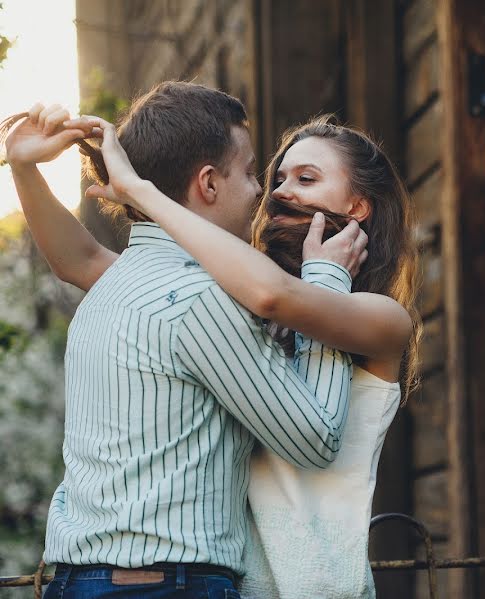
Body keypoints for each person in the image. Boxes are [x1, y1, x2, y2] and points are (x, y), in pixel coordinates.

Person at [1, 82, 372, 598]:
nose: (260, 192)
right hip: (161, 586)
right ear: (208, 184)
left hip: (79, 581)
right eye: (248, 173)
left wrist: (24, 168)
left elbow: (76, 261)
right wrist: (327, 283)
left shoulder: (117, 283)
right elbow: (315, 440)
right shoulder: (199, 298)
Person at [66, 112, 421, 599]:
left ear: (357, 207)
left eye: (307, 179)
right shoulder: (230, 307)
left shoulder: (382, 318)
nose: (277, 191)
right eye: (275, 178)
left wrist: (141, 191)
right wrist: (25, 170)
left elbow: (278, 296)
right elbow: (86, 263)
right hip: (234, 584)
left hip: (319, 585)